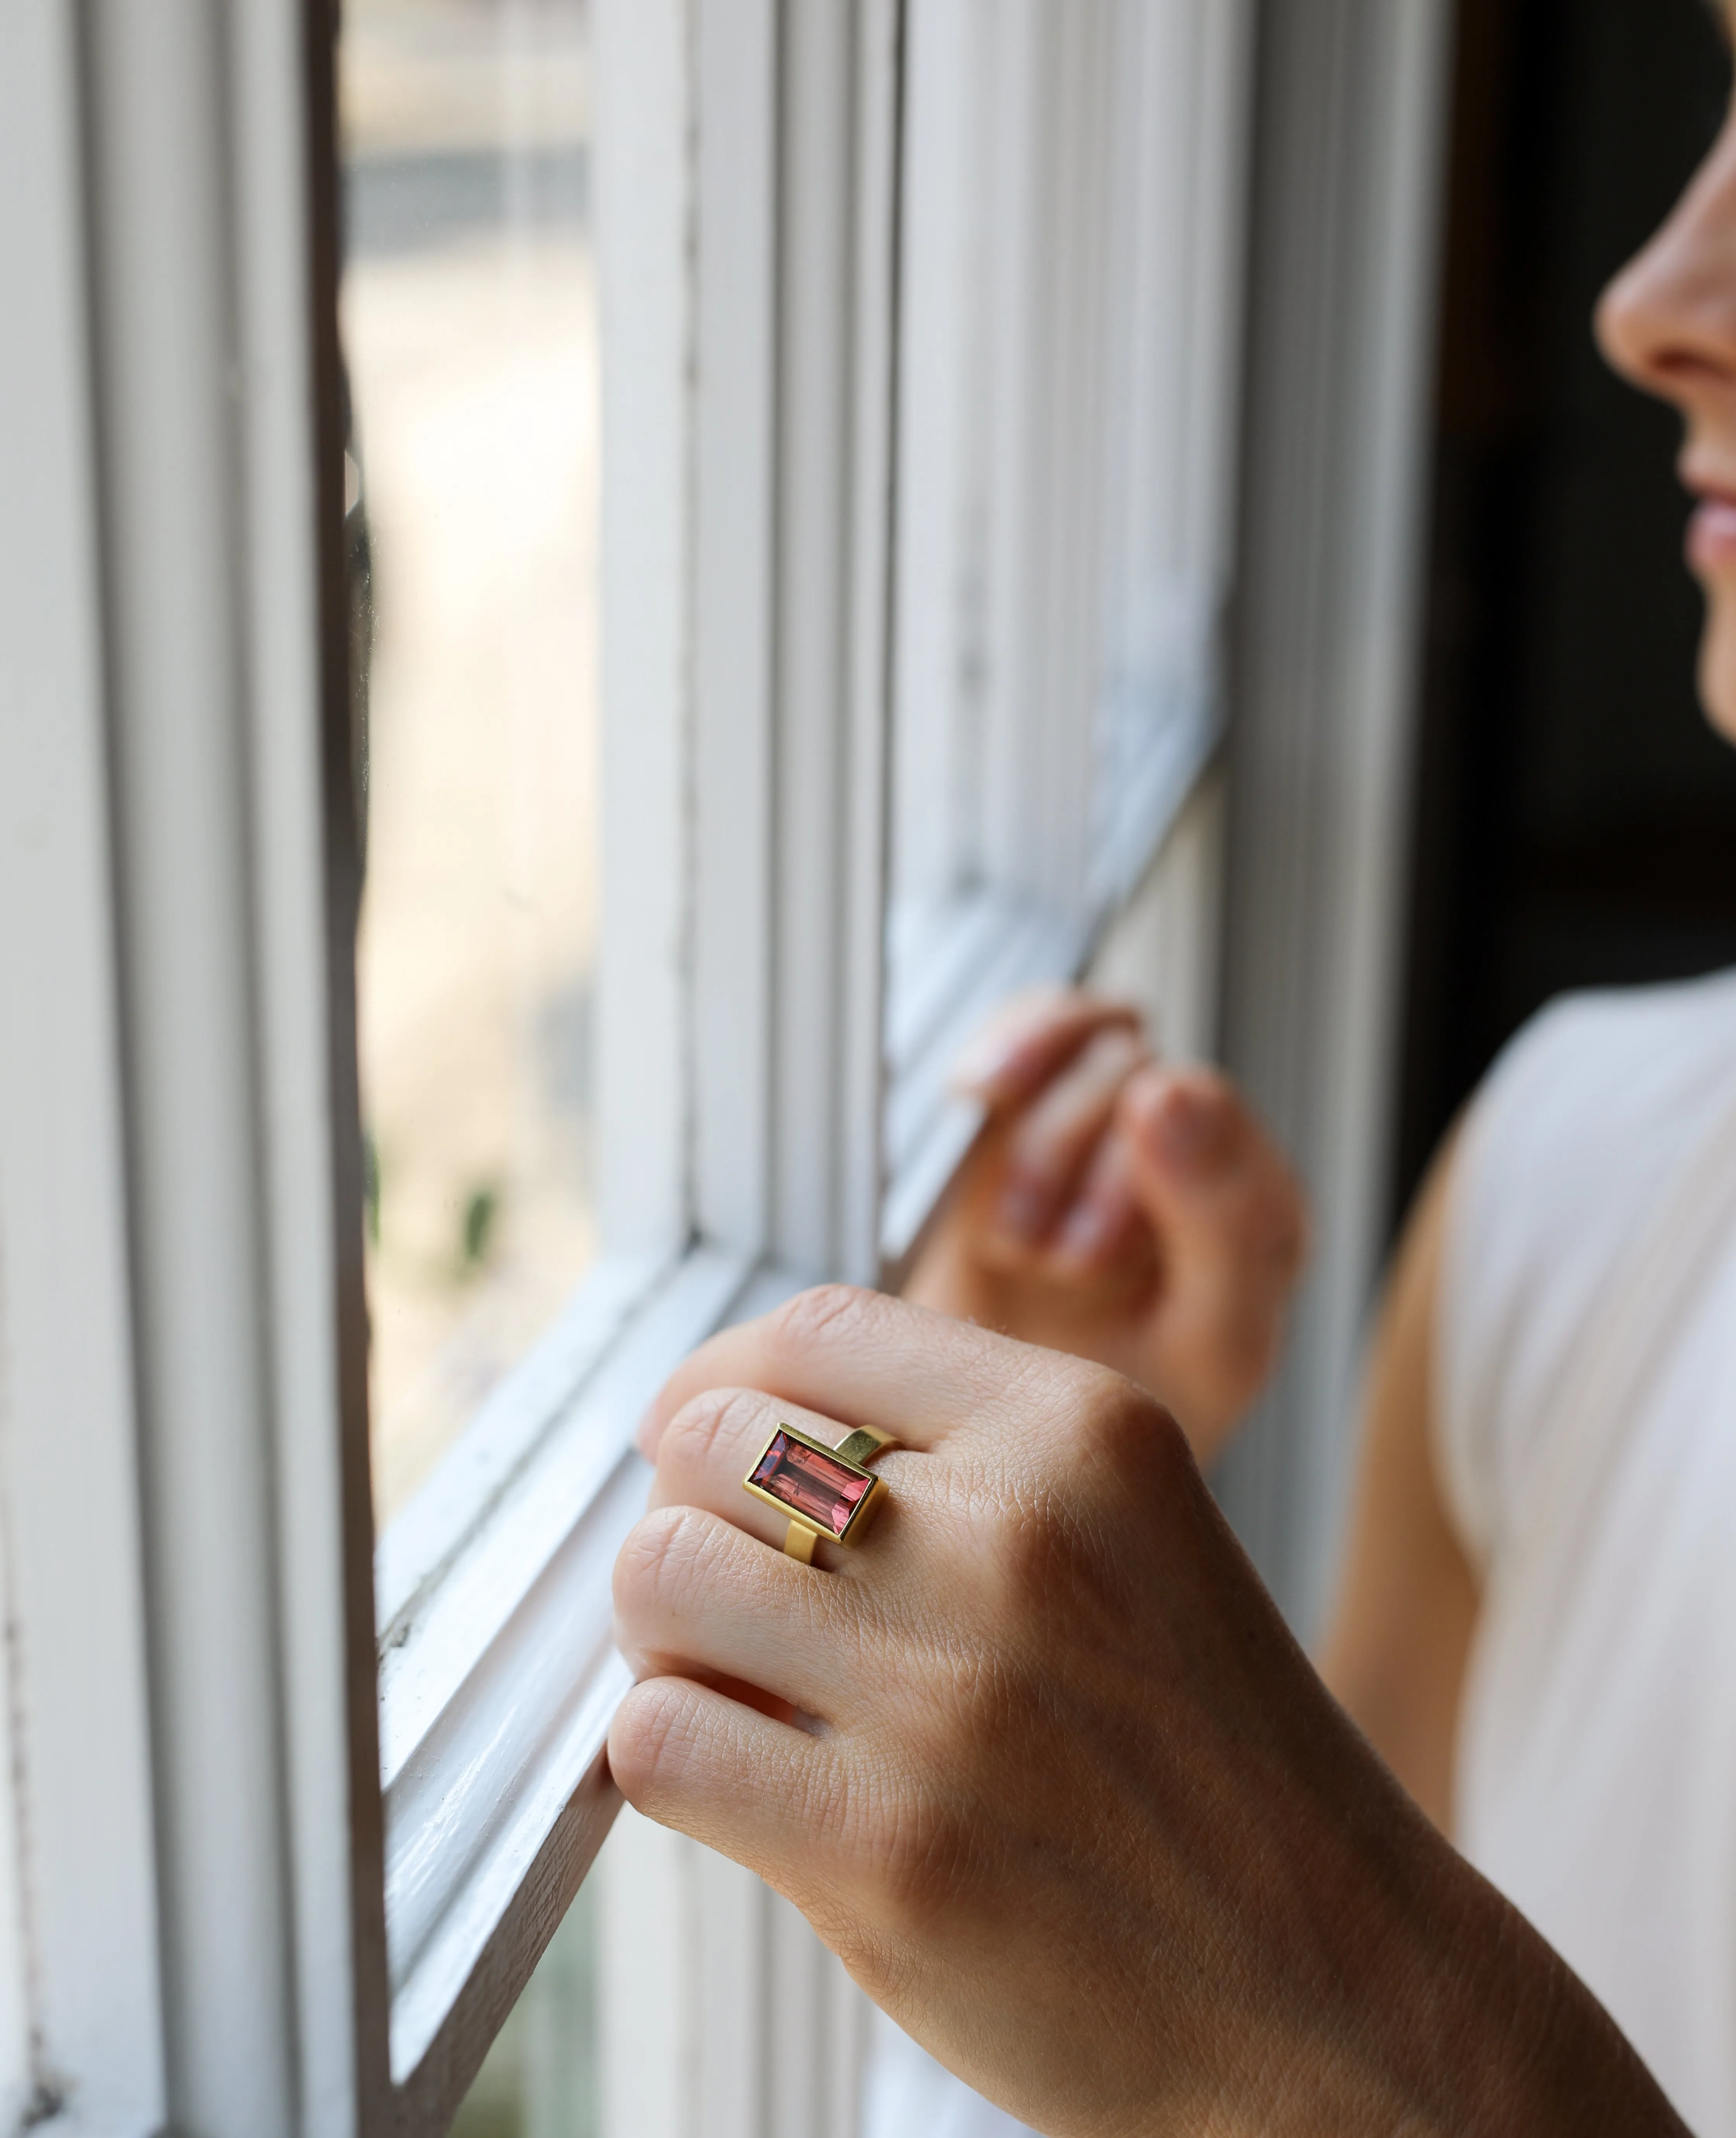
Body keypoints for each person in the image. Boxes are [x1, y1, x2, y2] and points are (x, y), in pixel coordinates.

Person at [608, 15, 1736, 2131]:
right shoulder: (1564, 1177)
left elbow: (1307, 2044)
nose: (1655, 303)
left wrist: (1378, 2058)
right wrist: (1022, 1573)